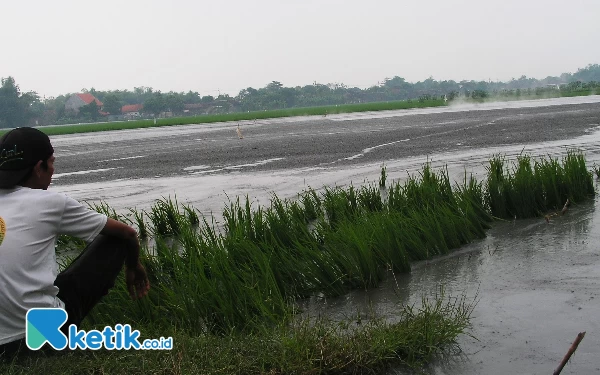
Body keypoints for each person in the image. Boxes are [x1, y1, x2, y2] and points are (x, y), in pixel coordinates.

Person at [0, 127, 150, 359]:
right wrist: (134, 266)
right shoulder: (49, 202)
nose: (53, 170)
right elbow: (128, 234)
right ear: (39, 167)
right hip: (38, 337)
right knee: (115, 241)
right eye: (52, 163)